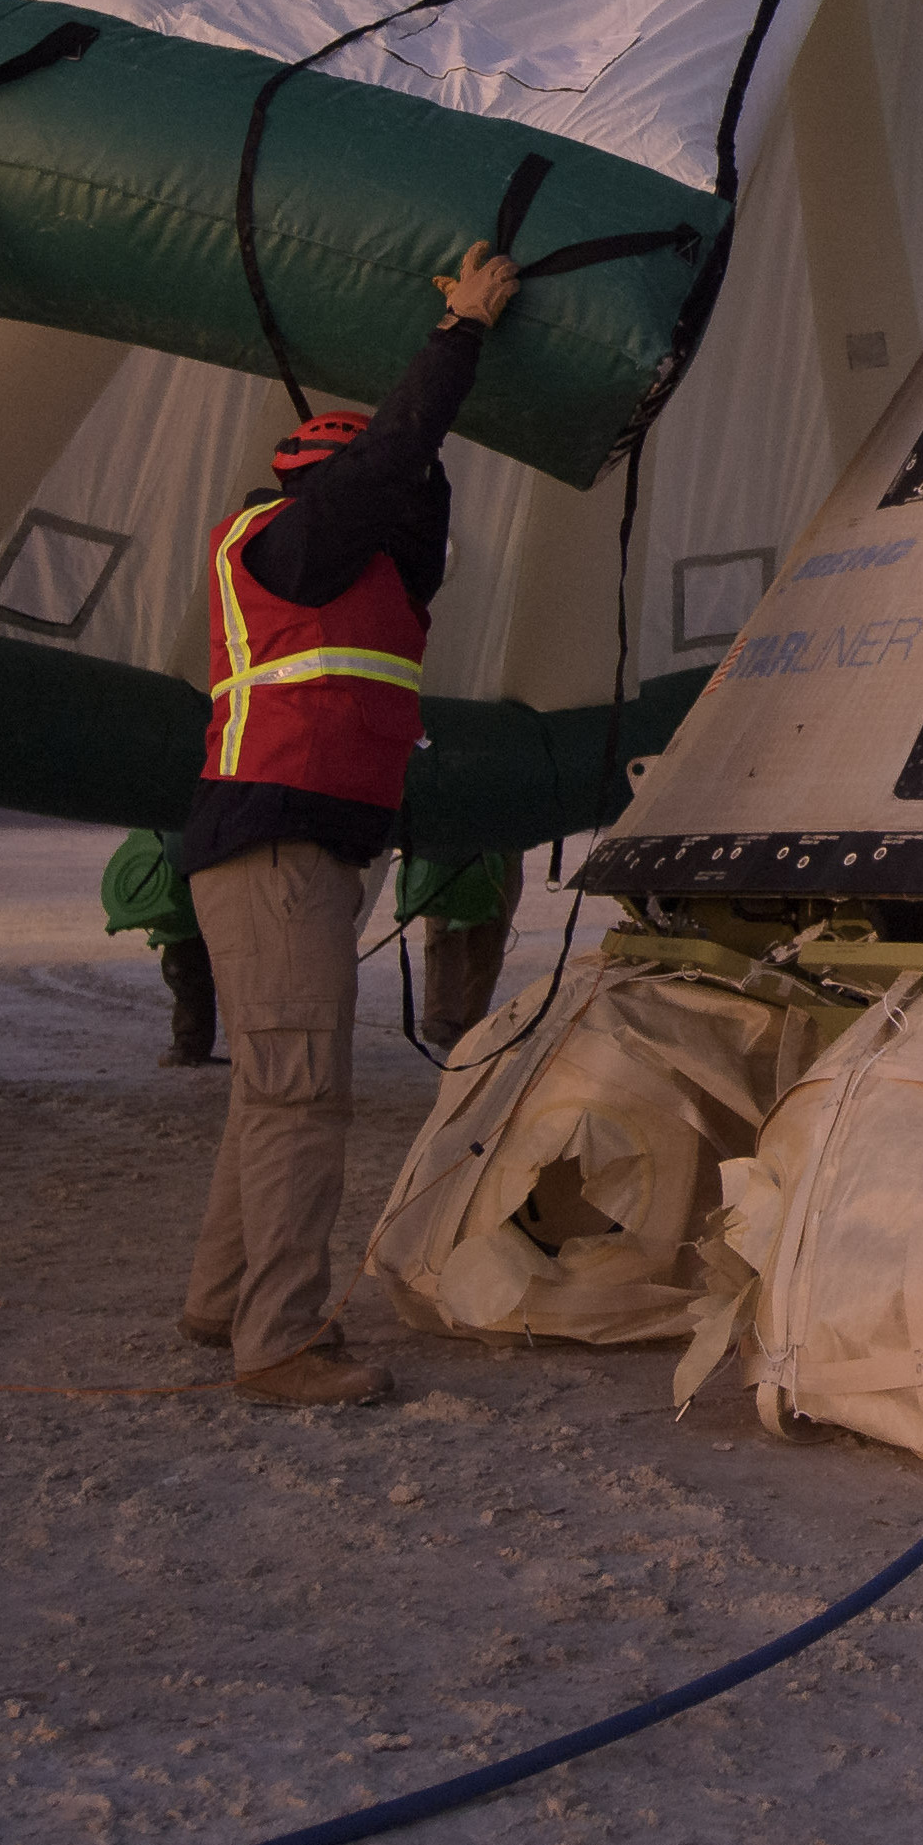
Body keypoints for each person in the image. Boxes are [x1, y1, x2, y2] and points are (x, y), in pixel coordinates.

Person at [175, 239, 519, 1407]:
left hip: (310, 844)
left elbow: (413, 497)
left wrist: (456, 386)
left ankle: (225, 1301)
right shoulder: (282, 541)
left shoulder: (376, 572)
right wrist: (458, 334)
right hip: (273, 842)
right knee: (299, 1090)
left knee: (272, 1084)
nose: (402, 502)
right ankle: (277, 1341)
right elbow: (387, 472)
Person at [100, 827, 224, 1067]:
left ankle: (199, 1046)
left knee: (188, 968)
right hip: (186, 886)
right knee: (183, 968)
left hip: (199, 880)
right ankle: (191, 1046)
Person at [397, 846, 524, 1040]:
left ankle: (469, 1025)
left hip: (505, 843)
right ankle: (442, 1019)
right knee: (446, 928)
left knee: (490, 937)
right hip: (450, 838)